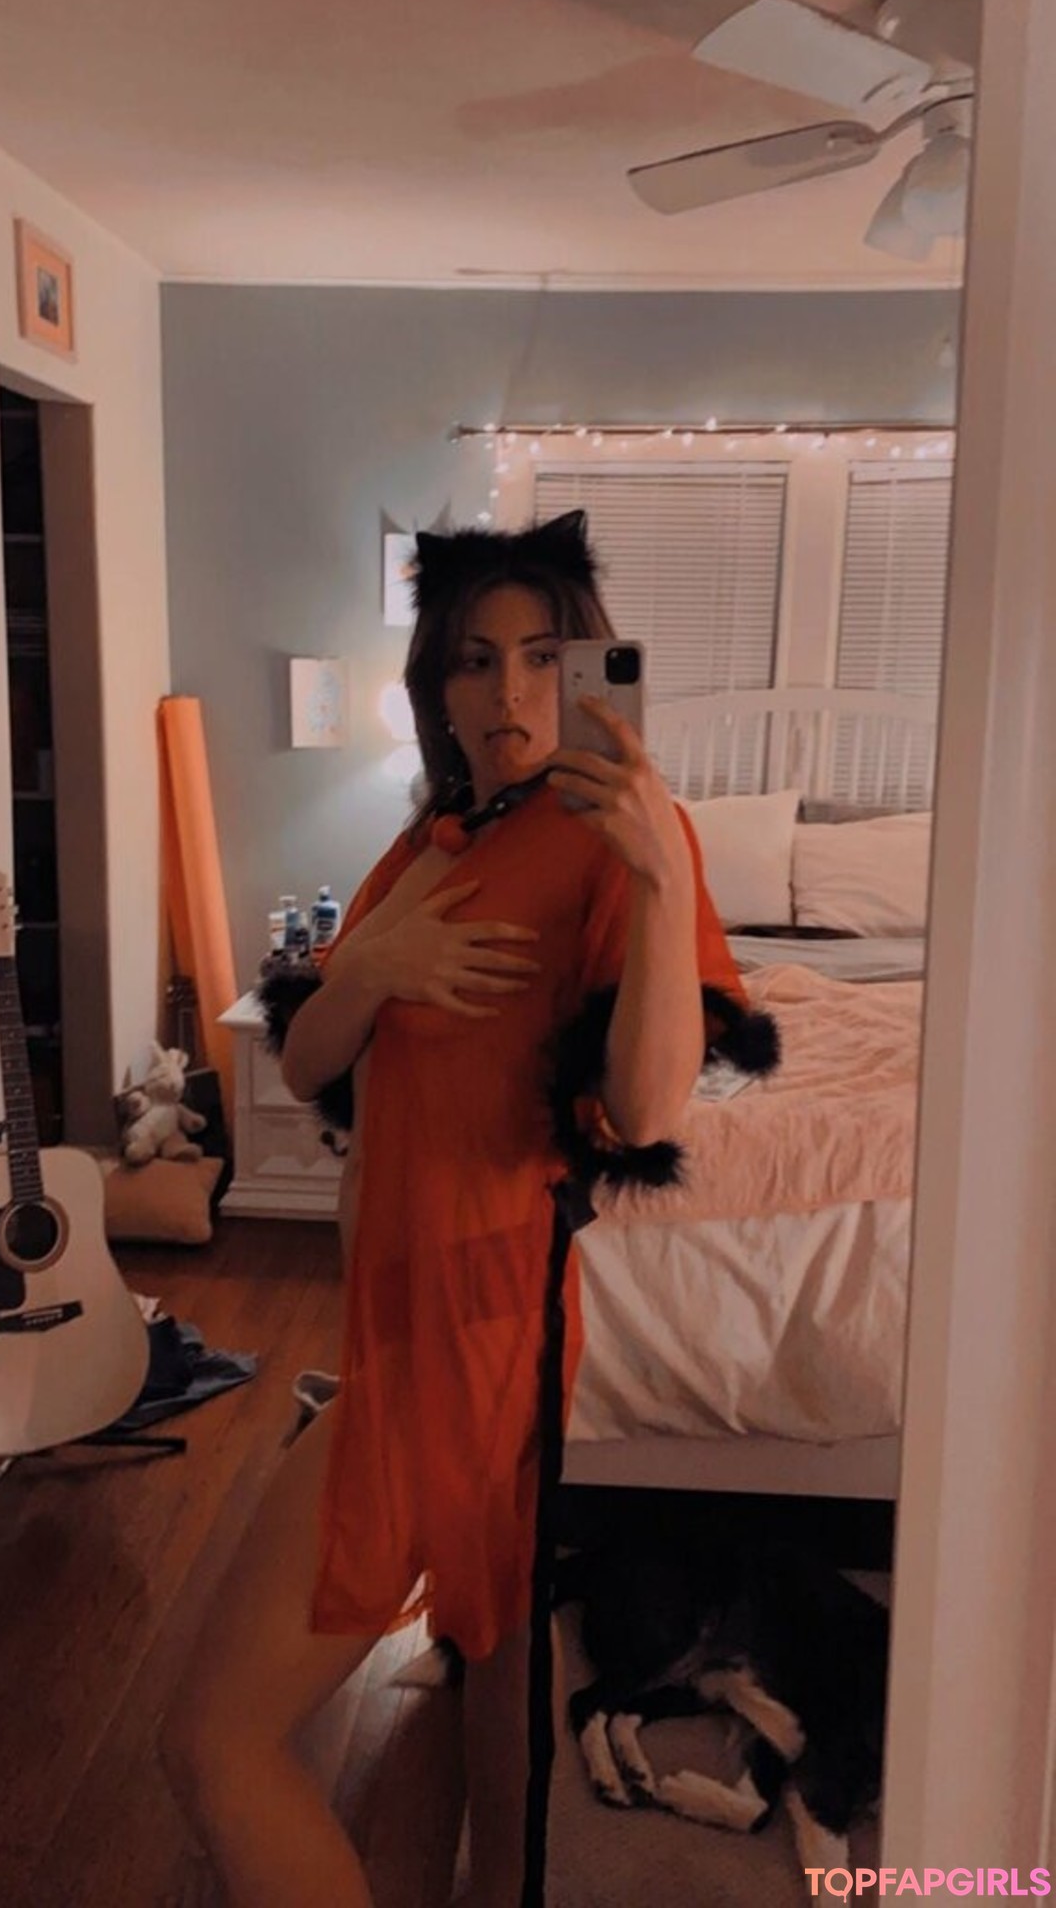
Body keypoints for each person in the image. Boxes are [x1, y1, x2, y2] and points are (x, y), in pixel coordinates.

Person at [160, 509, 747, 1908]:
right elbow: (307, 1061)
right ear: (438, 682)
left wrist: (663, 872)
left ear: (587, 670)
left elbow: (649, 1108)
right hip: (401, 1323)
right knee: (490, 1659)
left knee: (213, 1740)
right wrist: (372, 965)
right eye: (475, 660)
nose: (509, 692)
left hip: (474, 1340)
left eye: (543, 656)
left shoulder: (615, 844)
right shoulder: (427, 842)